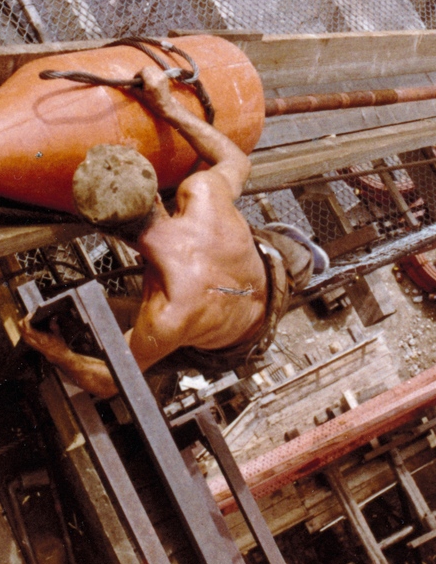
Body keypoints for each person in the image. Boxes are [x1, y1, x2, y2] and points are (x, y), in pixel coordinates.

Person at [20, 62, 327, 399]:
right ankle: (303, 256)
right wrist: (167, 106)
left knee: (108, 338)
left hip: (234, 344)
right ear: (155, 194)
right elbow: (238, 161)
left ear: (105, 232)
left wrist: (57, 352)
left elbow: (109, 381)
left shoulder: (164, 315)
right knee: (287, 256)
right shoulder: (204, 194)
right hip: (270, 276)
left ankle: (298, 260)